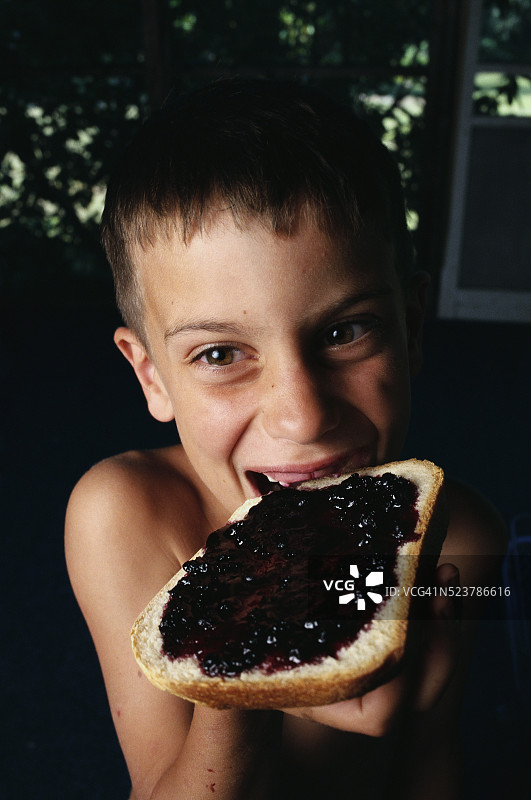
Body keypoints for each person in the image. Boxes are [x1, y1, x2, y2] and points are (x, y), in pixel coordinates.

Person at [65, 78, 506, 800]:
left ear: (411, 329)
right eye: (219, 354)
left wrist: (420, 704)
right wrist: (238, 676)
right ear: (151, 377)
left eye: (343, 332)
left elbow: (430, 762)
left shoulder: (461, 541)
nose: (301, 417)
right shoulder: (120, 515)